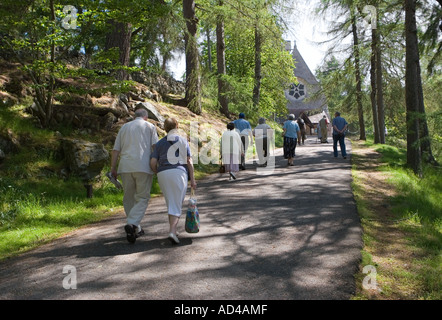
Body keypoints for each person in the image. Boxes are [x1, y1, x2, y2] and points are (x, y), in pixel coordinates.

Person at [111, 108, 159, 244]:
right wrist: (156, 165)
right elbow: (155, 147)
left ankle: (135, 228)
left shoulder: (124, 127)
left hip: (125, 167)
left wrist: (113, 168)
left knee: (128, 198)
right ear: (146, 117)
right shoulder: (150, 127)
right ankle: (132, 223)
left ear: (134, 117)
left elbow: (116, 150)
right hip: (143, 166)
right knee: (142, 197)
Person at [150, 117, 197, 244]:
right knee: (176, 203)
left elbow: (153, 162)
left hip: (163, 173)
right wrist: (192, 179)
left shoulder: (159, 143)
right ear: (177, 126)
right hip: (178, 173)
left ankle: (174, 230)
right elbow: (189, 161)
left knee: (171, 202)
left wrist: (156, 172)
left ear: (165, 128)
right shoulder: (183, 141)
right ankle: (172, 230)